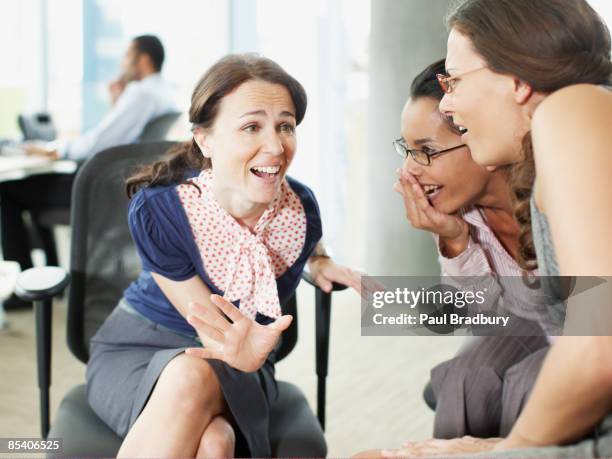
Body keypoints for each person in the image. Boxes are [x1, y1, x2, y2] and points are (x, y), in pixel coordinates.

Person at [85, 53, 362, 458]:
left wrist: (317, 259)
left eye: (285, 126)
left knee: (197, 388)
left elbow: (285, 235)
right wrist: (249, 349)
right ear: (205, 139)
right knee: (214, 440)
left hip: (241, 361)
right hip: (140, 346)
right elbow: (213, 332)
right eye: (251, 126)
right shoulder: (161, 210)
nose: (275, 146)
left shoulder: (301, 211)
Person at [382, 0, 612, 456]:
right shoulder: (560, 140)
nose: (448, 102)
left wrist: (500, 452)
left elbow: (596, 347)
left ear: (518, 79)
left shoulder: (573, 107)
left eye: (455, 80)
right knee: (471, 371)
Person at [353, 59, 551, 458]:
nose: (409, 170)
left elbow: (570, 313)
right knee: (467, 374)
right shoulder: (463, 211)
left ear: (479, 135)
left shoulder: (553, 193)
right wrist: (455, 240)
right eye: (408, 151)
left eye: (426, 151)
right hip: (539, 320)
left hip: (590, 328)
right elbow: (482, 315)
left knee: (531, 382)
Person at [0, 35, 176, 309]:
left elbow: (99, 142)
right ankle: (47, 281)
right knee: (33, 189)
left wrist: (53, 150)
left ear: (142, 59)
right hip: (116, 186)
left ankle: (25, 292)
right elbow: (118, 138)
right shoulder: (161, 92)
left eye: (126, 56)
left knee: (8, 191)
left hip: (96, 188)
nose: (122, 63)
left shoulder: (141, 93)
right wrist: (117, 101)